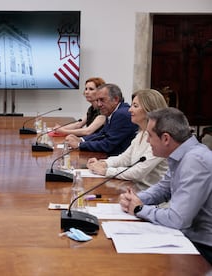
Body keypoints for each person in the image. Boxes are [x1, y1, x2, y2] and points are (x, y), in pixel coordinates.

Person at [119, 107, 212, 265]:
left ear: (166, 138)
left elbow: (177, 219)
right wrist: (134, 199)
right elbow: (162, 189)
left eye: (150, 135)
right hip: (188, 238)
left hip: (203, 248)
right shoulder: (182, 154)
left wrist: (139, 209)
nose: (148, 141)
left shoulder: (194, 160)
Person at [87, 89, 169, 189]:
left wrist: (106, 171)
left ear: (149, 110)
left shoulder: (159, 139)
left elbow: (138, 172)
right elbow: (125, 158)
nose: (130, 110)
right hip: (133, 189)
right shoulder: (141, 133)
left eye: (135, 106)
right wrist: (103, 163)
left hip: (149, 197)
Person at [65, 83, 138, 156]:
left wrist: (79, 145)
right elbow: (102, 134)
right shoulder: (112, 111)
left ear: (115, 99)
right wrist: (81, 140)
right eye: (97, 100)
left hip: (118, 160)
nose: (99, 104)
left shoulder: (121, 114)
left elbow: (107, 144)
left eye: (102, 100)